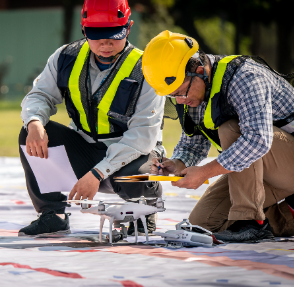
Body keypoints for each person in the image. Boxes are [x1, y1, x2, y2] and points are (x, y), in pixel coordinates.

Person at [18, 0, 165, 236]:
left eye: (114, 36)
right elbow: (40, 95)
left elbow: (142, 137)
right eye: (97, 36)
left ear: (128, 27)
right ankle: (52, 215)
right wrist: (34, 121)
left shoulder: (146, 68)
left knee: (136, 173)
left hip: (132, 153)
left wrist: (98, 173)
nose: (105, 44)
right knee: (29, 133)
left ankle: (143, 212)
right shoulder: (65, 57)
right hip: (84, 147)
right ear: (84, 29)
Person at [142, 30, 294, 243]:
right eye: (172, 96)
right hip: (268, 169)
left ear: (198, 69)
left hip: (284, 160)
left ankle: (250, 222)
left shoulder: (246, 78)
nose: (179, 101)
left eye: (180, 92)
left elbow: (257, 140)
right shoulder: (194, 91)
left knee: (232, 129)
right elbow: (193, 145)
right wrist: (177, 164)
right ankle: (285, 217)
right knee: (201, 224)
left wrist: (204, 172)